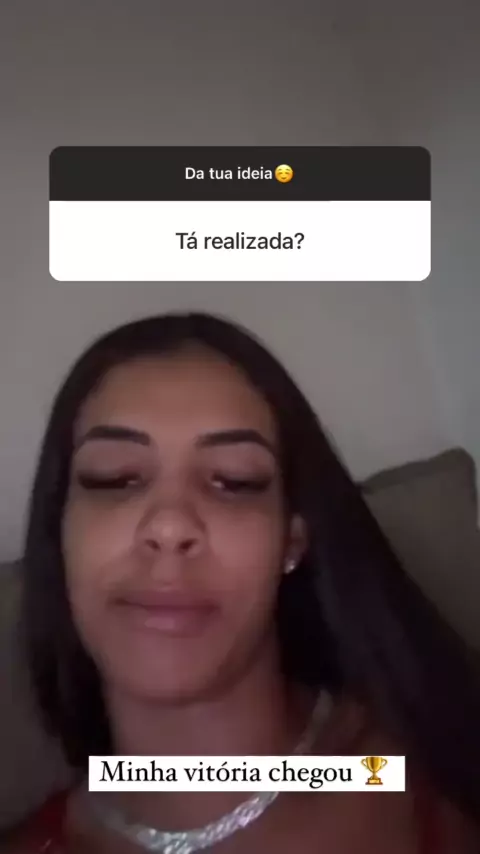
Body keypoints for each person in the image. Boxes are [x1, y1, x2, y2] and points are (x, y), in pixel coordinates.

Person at [3, 312, 480, 853]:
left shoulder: (412, 773)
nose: (169, 525)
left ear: (291, 542)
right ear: (59, 534)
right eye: (114, 478)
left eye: (233, 481)